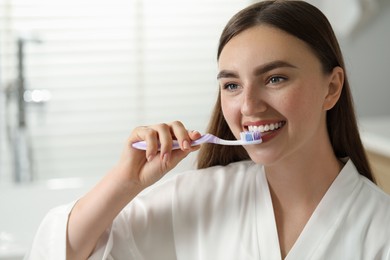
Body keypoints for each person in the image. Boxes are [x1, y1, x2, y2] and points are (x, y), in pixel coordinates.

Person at [26, 1, 390, 259]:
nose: (249, 106)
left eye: (275, 78)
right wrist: (125, 183)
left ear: (332, 87)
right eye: (232, 85)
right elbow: (60, 252)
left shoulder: (380, 229)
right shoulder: (197, 199)